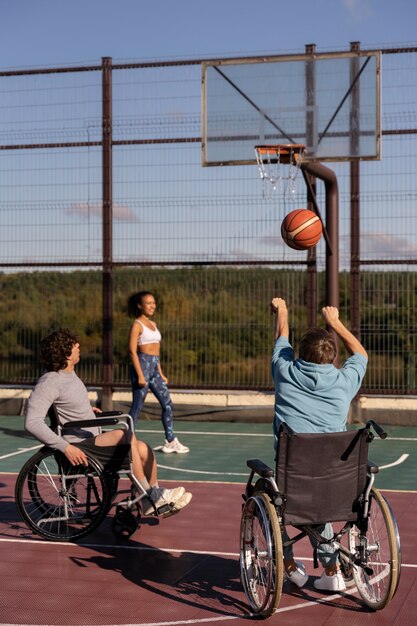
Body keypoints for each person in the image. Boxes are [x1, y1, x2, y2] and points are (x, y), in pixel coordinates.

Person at [25, 328, 192, 517]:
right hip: (78, 447)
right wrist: (65, 447)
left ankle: (152, 497)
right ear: (65, 353)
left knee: (145, 450)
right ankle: (150, 496)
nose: (79, 346)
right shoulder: (49, 382)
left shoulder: (69, 375)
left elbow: (66, 406)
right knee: (123, 433)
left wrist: (89, 412)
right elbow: (32, 422)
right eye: (74, 345)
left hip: (91, 440)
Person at [270, 297, 368, 592]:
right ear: (332, 357)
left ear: (298, 355)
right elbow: (360, 353)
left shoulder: (285, 373)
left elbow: (281, 339)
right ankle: (331, 568)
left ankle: (289, 566)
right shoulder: (344, 382)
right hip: (336, 481)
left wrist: (283, 311)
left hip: (293, 477)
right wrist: (336, 322)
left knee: (274, 496)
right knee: (317, 506)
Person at [128, 291, 189, 454]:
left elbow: (156, 352)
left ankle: (170, 440)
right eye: (148, 303)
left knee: (168, 404)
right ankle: (128, 440)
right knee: (137, 406)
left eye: (153, 302)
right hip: (142, 367)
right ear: (140, 305)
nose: (152, 306)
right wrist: (140, 374)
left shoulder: (153, 324)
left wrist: (160, 373)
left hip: (154, 368)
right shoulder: (137, 325)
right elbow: (132, 351)